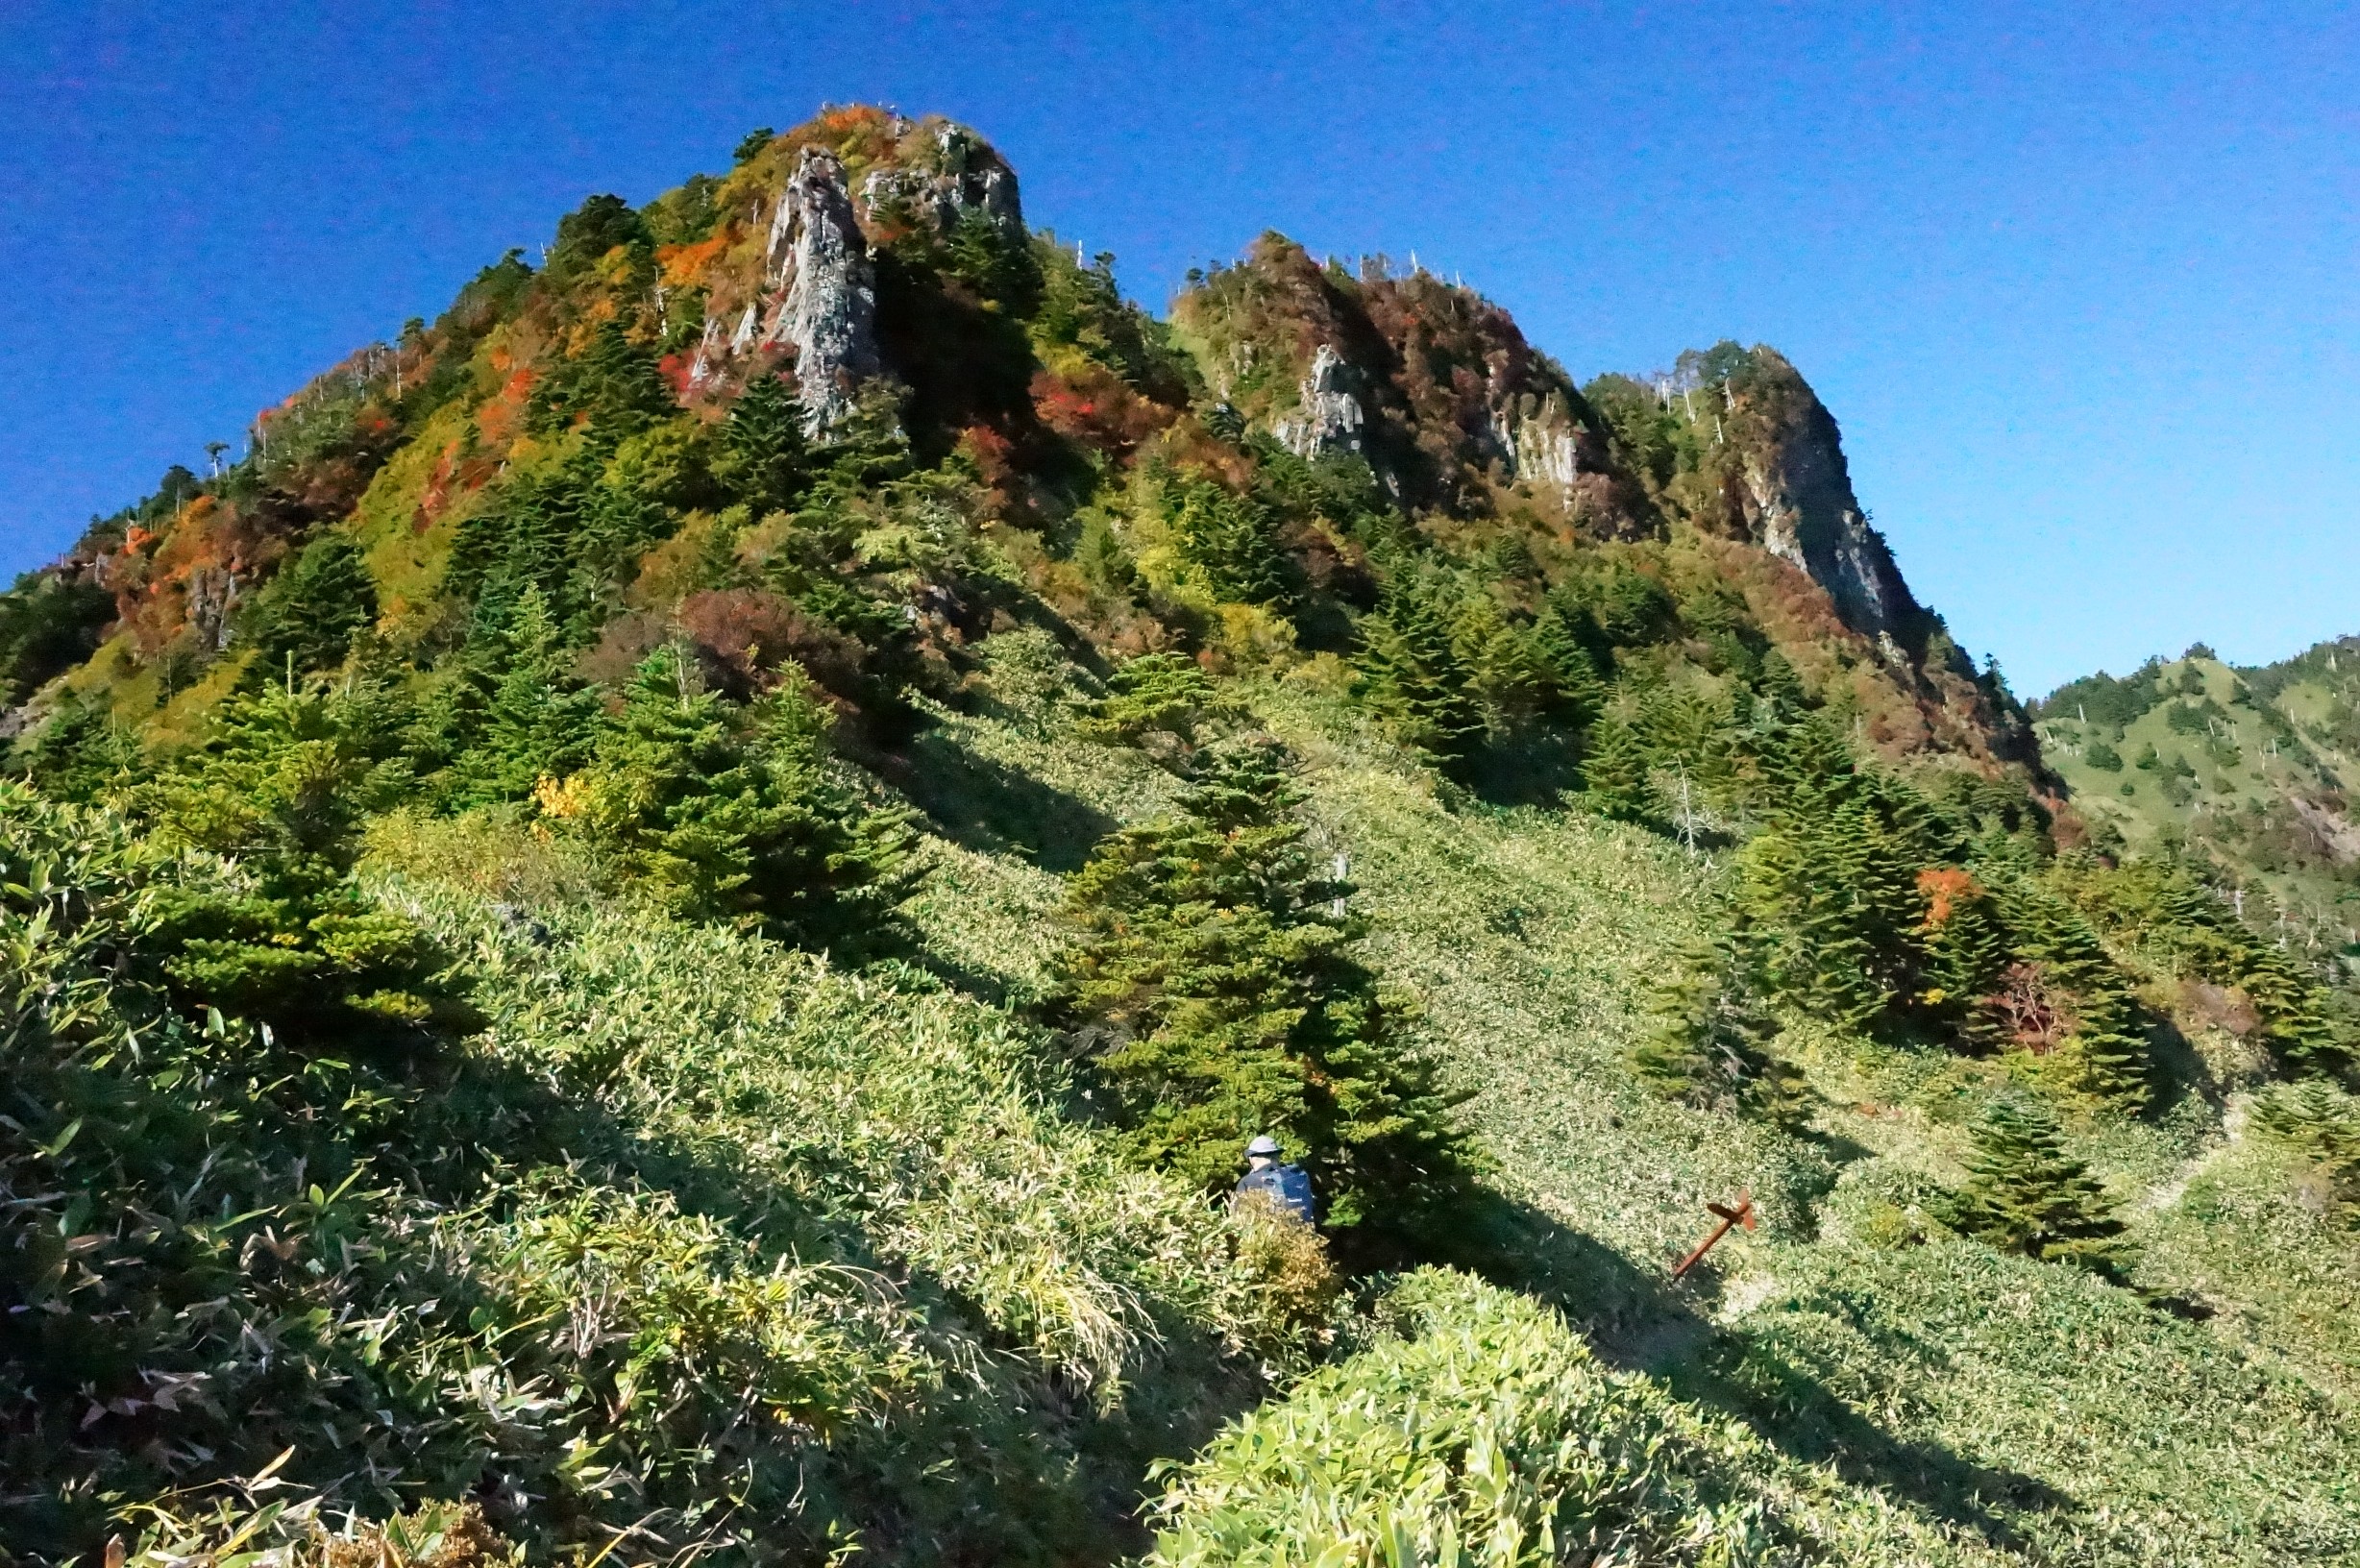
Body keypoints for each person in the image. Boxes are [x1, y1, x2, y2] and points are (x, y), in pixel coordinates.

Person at [1233, 1134, 1315, 1225]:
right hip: (1304, 1233)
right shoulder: (1297, 1174)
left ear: (1252, 1158)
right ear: (1277, 1155)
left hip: (1270, 1234)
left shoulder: (1248, 1181)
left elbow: (1239, 1216)